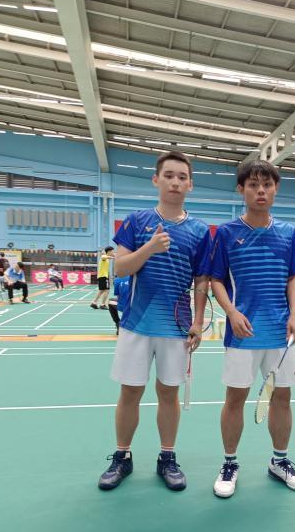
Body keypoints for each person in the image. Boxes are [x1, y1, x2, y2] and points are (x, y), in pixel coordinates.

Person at [98, 151, 211, 493]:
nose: (175, 182)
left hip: (176, 326)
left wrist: (199, 321)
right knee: (130, 391)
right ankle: (122, 456)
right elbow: (120, 268)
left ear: (190, 184)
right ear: (156, 180)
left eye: (182, 177)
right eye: (169, 175)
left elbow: (202, 281)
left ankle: (167, 457)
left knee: (168, 393)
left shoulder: (200, 231)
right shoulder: (136, 221)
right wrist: (149, 247)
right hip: (136, 322)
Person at [208, 158, 295, 499]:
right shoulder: (226, 233)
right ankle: (229, 463)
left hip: (280, 332)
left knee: (282, 397)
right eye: (253, 185)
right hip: (243, 332)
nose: (261, 191)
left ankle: (279, 461)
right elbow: (216, 279)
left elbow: (294, 277)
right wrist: (231, 312)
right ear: (242, 189)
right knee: (235, 397)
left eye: (267, 185)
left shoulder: (288, 233)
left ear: (276, 189)